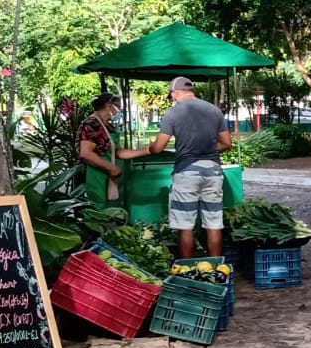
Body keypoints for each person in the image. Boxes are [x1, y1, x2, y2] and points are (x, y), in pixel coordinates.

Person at [145, 77, 231, 259]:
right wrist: (206, 150)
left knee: (186, 225)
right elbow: (226, 143)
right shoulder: (214, 111)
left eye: (171, 94)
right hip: (213, 170)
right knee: (214, 223)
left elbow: (159, 148)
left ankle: (186, 269)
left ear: (175, 92)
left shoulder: (172, 113)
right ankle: (216, 267)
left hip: (187, 172)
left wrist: (151, 147)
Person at [77, 92, 133, 203]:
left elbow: (117, 152)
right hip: (93, 176)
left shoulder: (108, 126)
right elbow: (86, 154)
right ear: (108, 106)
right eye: (118, 107)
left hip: (105, 176)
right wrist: (111, 167)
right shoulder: (91, 124)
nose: (119, 111)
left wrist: (147, 150)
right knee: (96, 210)